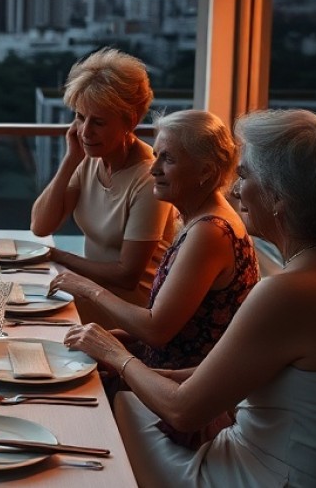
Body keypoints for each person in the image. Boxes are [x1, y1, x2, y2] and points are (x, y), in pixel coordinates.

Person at [65, 109, 316, 487]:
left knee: (111, 416)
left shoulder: (288, 291)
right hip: (299, 465)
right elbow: (249, 374)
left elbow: (183, 411)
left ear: (279, 198)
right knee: (127, 400)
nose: (235, 190)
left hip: (260, 476)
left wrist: (115, 356)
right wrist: (149, 372)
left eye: (245, 175)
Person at [49, 110, 257, 374]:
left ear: (205, 170)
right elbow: (178, 326)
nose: (153, 168)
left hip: (174, 387)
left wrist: (89, 289)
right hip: (160, 370)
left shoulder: (210, 231)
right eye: (156, 155)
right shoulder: (199, 219)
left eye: (167, 159)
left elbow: (156, 329)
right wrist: (112, 338)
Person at [31, 47, 175, 326]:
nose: (85, 132)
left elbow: (127, 275)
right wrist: (70, 159)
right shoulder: (88, 158)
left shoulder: (148, 178)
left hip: (131, 314)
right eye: (80, 117)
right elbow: (41, 225)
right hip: (92, 296)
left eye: (98, 121)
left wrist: (59, 256)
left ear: (129, 121)